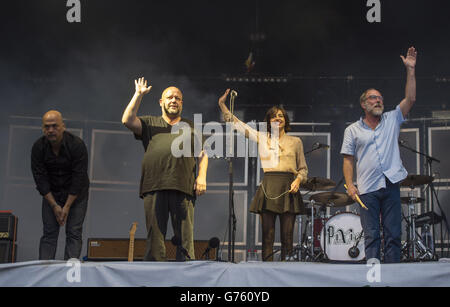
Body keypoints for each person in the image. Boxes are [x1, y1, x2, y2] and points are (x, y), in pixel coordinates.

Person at [341, 47, 417, 263]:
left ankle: (392, 277)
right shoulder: (352, 130)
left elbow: (410, 99)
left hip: (391, 183)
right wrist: (350, 185)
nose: (378, 101)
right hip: (366, 188)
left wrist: (410, 70)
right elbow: (348, 159)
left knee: (394, 234)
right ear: (364, 104)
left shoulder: (392, 119)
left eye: (380, 98)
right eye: (373, 98)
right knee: (371, 235)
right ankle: (373, 279)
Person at [122, 77, 208, 261]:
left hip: (183, 186)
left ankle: (186, 278)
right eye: (170, 97)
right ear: (162, 102)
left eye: (177, 98)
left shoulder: (190, 126)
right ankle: (154, 277)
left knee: (185, 238)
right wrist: (138, 94)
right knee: (155, 238)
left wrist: (201, 177)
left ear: (182, 103)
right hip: (154, 186)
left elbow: (203, 153)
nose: (174, 100)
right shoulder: (149, 123)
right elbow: (127, 120)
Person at [218, 89, 308, 261]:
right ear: (269, 121)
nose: (278, 118)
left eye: (281, 116)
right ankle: (266, 272)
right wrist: (222, 105)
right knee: (267, 235)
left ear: (285, 120)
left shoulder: (296, 142)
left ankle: (286, 273)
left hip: (289, 187)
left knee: (287, 237)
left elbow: (303, 169)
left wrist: (298, 180)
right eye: (274, 116)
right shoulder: (262, 137)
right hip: (269, 185)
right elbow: (237, 124)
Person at [31, 110, 89, 260]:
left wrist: (67, 206)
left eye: (54, 126)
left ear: (63, 126)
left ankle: (69, 276)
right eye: (47, 127)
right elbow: (40, 180)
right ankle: (44, 273)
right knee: (49, 233)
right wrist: (54, 206)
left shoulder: (77, 145)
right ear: (43, 128)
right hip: (52, 194)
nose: (50, 130)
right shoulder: (38, 147)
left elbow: (79, 178)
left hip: (76, 195)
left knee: (74, 232)